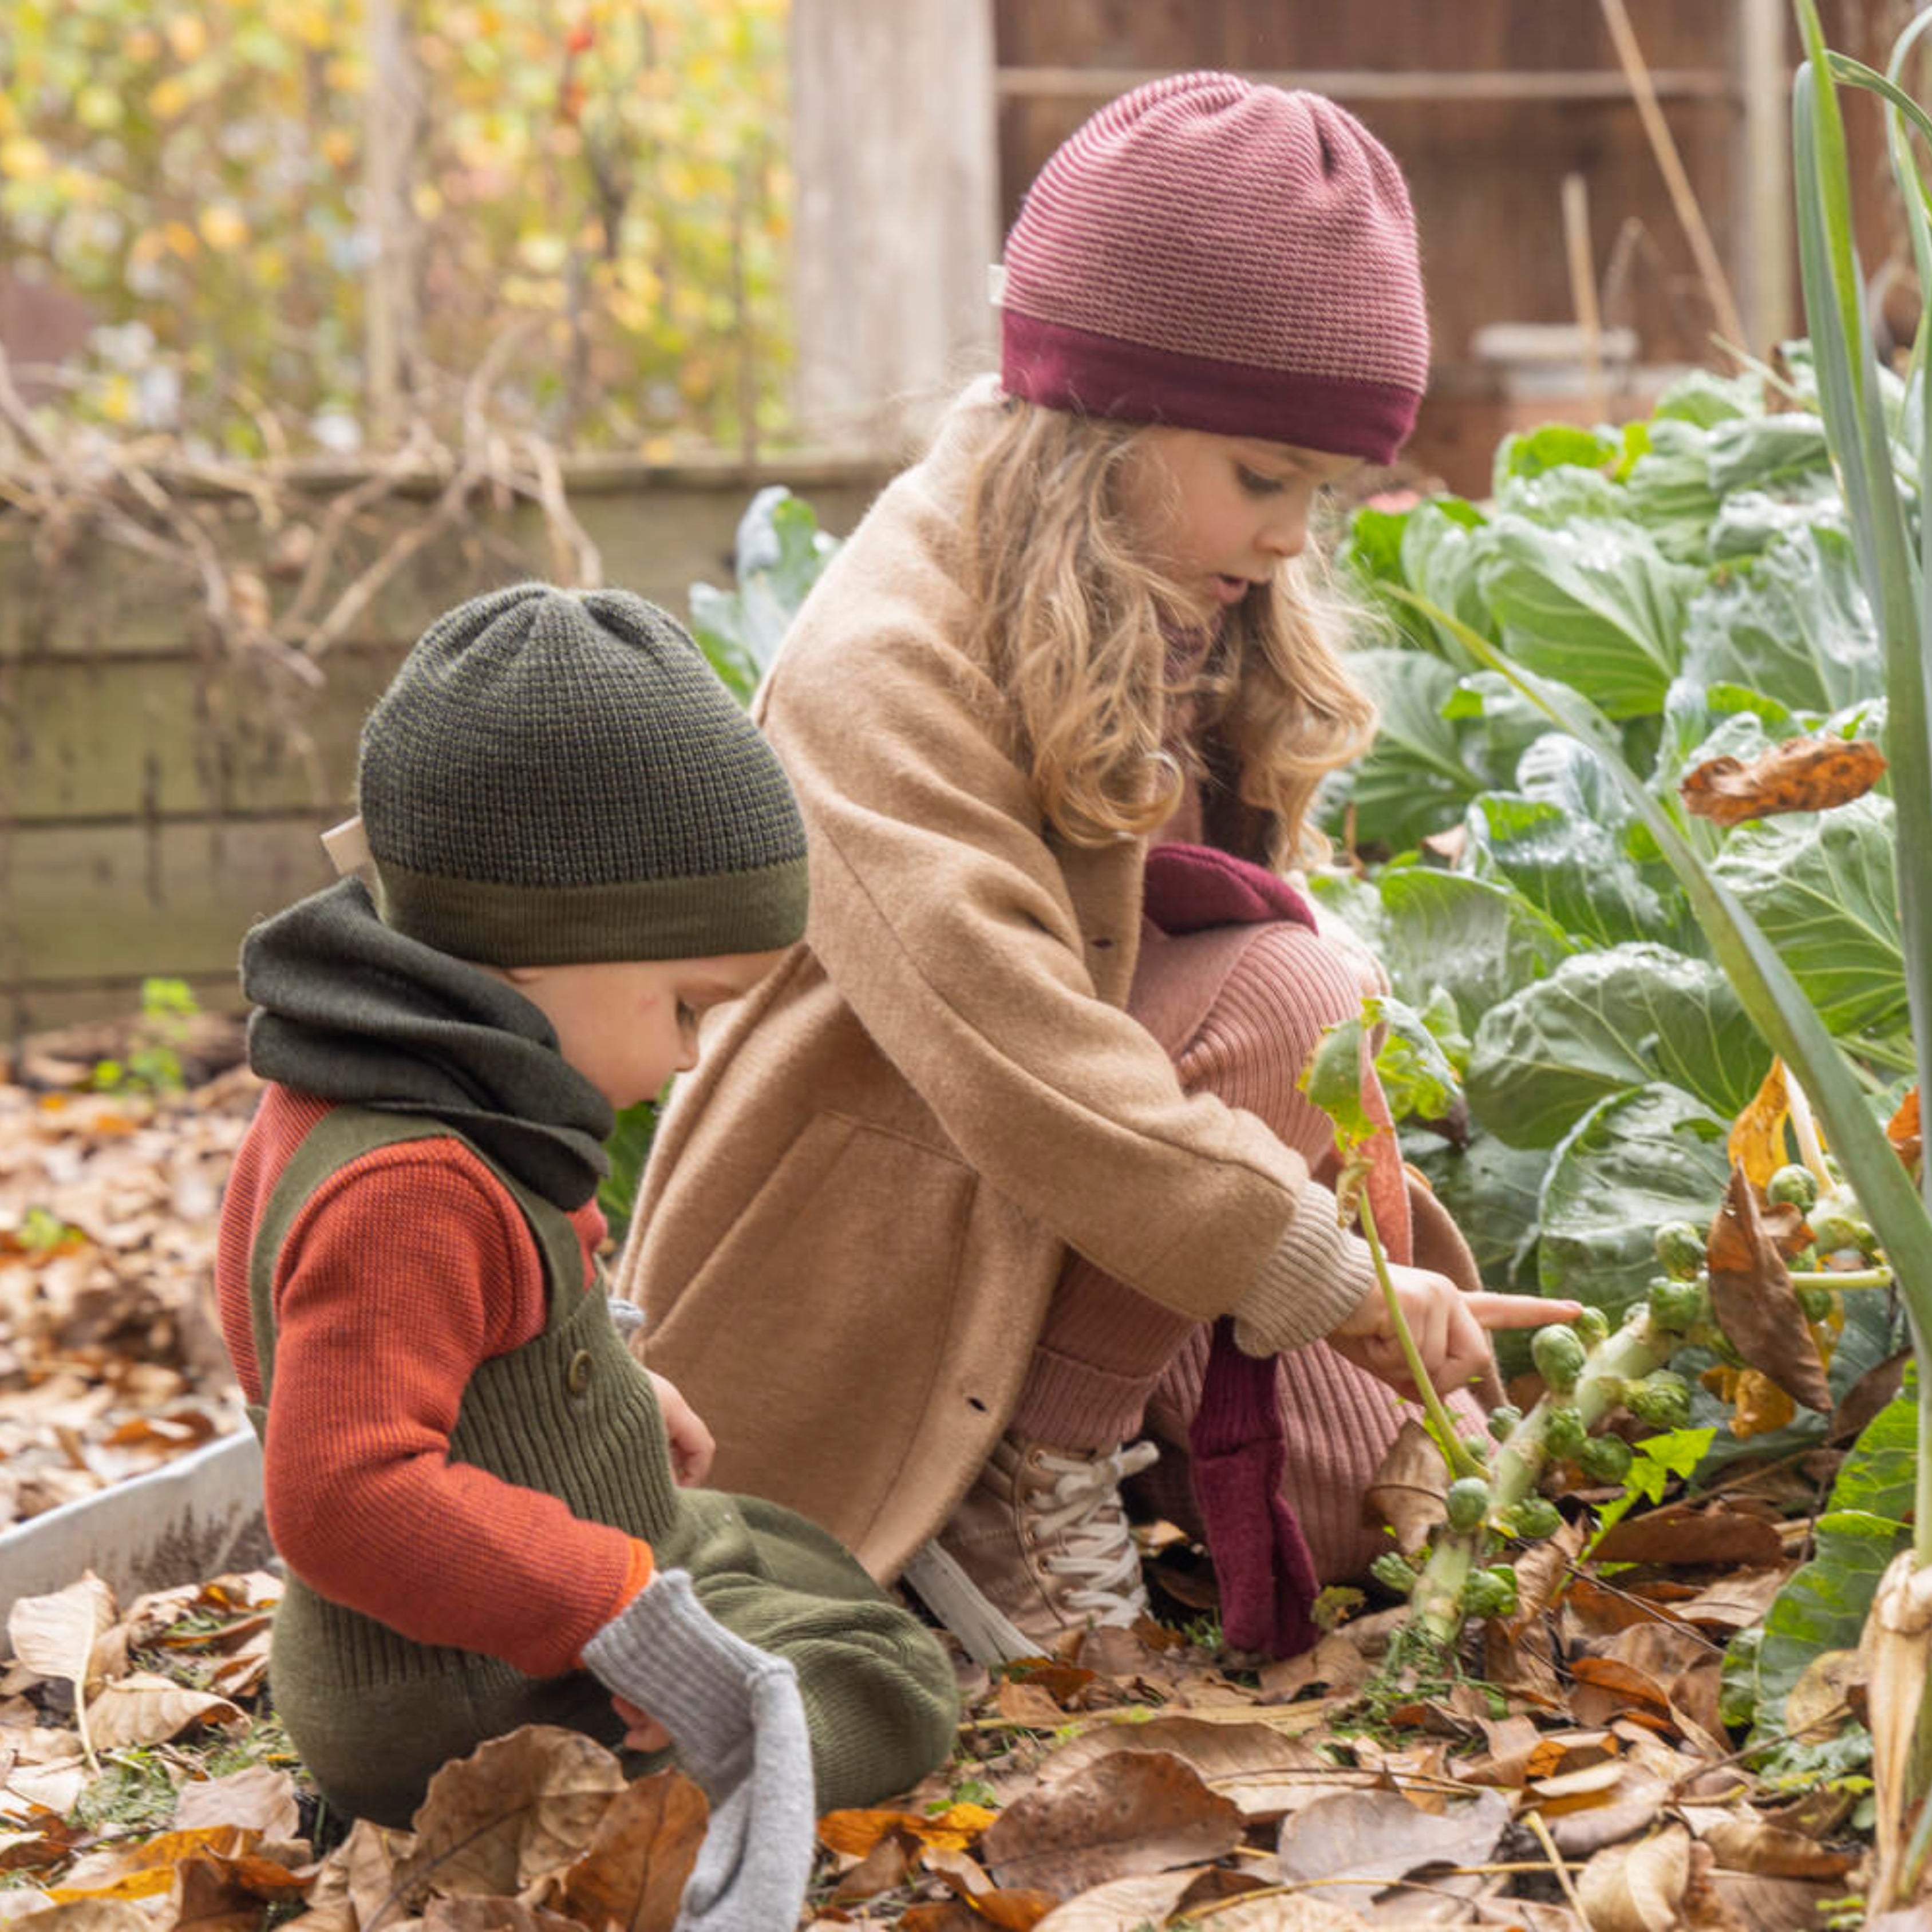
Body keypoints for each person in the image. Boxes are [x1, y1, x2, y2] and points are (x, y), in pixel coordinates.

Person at [612, 73, 1577, 1664]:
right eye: (1264, 478)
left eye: (1320, 495)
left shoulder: (1172, 591)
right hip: (878, 1213)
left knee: (1339, 1525)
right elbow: (1020, 1053)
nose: (1288, 539)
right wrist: (1317, 1274)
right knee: (1285, 987)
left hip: (1083, 1199)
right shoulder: (886, 653)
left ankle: (1081, 1422)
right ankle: (1020, 1476)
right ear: (1100, 417)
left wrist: (1370, 1283)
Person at [214, 584, 959, 1926]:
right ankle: (618, 1801)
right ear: (540, 953)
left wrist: (609, 1374)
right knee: (881, 1677)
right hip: (462, 1675)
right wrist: (610, 1602)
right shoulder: (409, 1184)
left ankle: (600, 1737)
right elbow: (336, 1489)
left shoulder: (397, 1081)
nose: (684, 1053)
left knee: (795, 1553)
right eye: (683, 1005)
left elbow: (477, 1331)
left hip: (485, 1610)